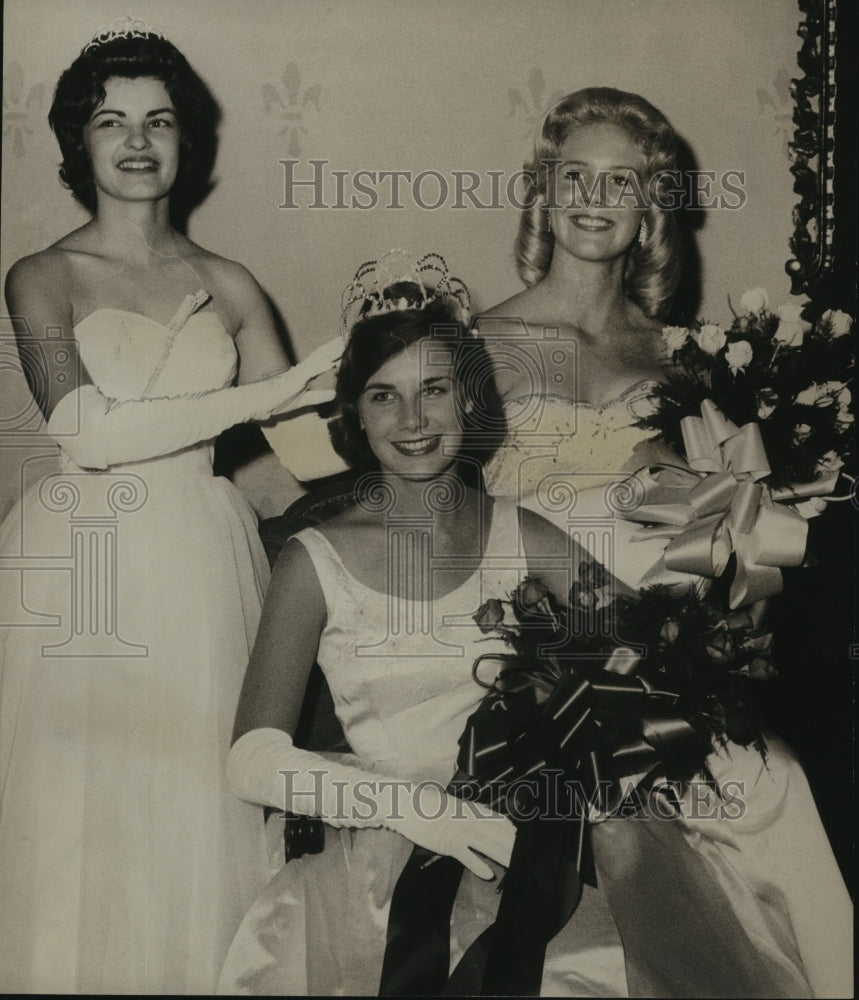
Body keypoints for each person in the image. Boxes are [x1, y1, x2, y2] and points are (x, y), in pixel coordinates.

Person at [475, 87, 852, 997]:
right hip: (526, 651)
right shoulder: (482, 342)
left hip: (665, 653)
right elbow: (447, 519)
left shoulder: (680, 359)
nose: (595, 199)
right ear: (542, 191)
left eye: (624, 183)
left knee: (774, 785)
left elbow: (721, 535)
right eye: (576, 177)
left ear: (652, 210)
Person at [0, 20, 340, 994]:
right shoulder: (42, 275)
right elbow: (87, 432)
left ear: (185, 140)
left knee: (195, 810)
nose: (138, 139)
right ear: (78, 143)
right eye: (112, 120)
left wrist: (393, 361)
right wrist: (269, 394)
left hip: (200, 565)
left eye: (159, 119)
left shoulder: (228, 284)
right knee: (79, 816)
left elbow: (301, 455)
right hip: (85, 569)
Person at [216, 255, 642, 995]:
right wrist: (419, 811)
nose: (412, 421)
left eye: (433, 390)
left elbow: (651, 655)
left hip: (535, 835)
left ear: (469, 402)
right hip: (381, 845)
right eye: (384, 396)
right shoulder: (314, 558)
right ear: (353, 416)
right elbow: (251, 759)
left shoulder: (526, 534)